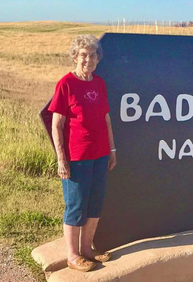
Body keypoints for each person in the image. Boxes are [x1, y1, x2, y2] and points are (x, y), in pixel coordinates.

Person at [49, 34, 117, 272]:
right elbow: (56, 124)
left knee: (94, 203)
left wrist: (112, 149)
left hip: (100, 154)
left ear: (98, 58)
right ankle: (73, 255)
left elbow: (106, 118)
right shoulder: (66, 84)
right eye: (84, 55)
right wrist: (61, 159)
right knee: (76, 205)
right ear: (75, 57)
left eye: (93, 55)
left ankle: (87, 250)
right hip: (76, 156)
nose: (88, 60)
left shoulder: (99, 83)